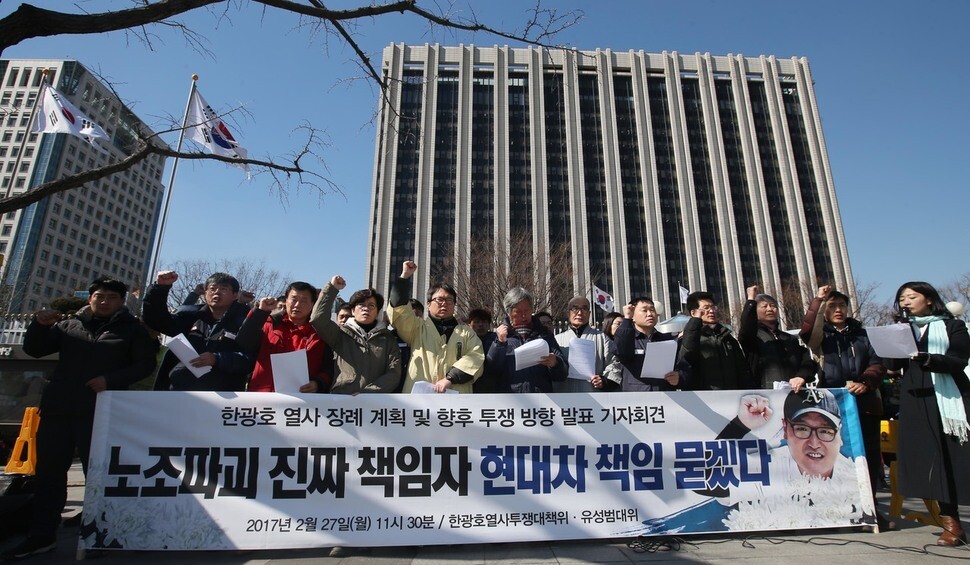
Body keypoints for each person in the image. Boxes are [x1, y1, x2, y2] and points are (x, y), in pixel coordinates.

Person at [3, 278, 158, 560]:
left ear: (121, 301)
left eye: (111, 297)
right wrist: (39, 325)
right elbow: (36, 349)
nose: (104, 301)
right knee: (49, 475)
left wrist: (110, 380)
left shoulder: (132, 330)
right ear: (90, 298)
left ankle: (99, 533)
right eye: (99, 296)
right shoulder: (68, 325)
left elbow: (145, 364)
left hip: (101, 411)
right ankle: (42, 535)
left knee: (98, 475)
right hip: (58, 409)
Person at [883, 282, 969, 546]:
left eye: (912, 296)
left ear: (929, 299)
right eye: (902, 298)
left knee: (958, 455)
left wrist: (929, 358)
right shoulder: (904, 329)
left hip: (951, 397)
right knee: (932, 458)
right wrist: (895, 338)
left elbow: (959, 359)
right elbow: (891, 365)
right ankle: (951, 522)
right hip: (916, 399)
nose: (906, 302)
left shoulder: (953, 326)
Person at [800, 285, 893, 529]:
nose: (838, 310)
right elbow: (807, 331)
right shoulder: (821, 337)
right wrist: (818, 300)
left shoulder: (863, 335)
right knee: (837, 458)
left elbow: (877, 363)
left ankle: (871, 509)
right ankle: (838, 509)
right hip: (833, 405)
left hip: (865, 402)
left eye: (842, 305)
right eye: (832, 306)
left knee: (868, 457)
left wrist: (866, 382)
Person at [143, 271, 254, 391]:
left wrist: (217, 359)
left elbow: (250, 359)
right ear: (205, 293)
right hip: (178, 393)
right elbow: (156, 320)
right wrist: (160, 287)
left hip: (223, 396)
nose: (217, 292)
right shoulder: (189, 316)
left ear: (235, 295)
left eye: (223, 289)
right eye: (212, 288)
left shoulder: (246, 323)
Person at [386, 261, 484, 393]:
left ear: (454, 304)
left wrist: (450, 378)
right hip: (420, 397)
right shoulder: (416, 328)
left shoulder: (467, 333)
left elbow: (476, 357)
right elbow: (400, 309)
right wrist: (404, 277)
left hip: (456, 396)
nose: (444, 304)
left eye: (449, 300)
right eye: (439, 300)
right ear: (428, 304)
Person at [236, 282, 333, 393]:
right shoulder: (269, 323)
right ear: (286, 301)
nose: (297, 305)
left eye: (303, 301)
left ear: (312, 304)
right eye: (294, 299)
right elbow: (244, 341)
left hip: (303, 397)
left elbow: (330, 367)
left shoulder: (320, 333)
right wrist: (260, 312)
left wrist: (318, 383)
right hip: (263, 395)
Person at [310, 276, 401, 394]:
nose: (366, 309)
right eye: (361, 305)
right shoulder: (340, 334)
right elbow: (318, 319)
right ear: (353, 311)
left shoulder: (388, 339)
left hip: (376, 400)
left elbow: (394, 374)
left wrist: (367, 393)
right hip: (342, 398)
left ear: (377, 312)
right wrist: (332, 288)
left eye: (371, 305)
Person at [486, 287, 566, 393]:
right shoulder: (496, 337)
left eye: (527, 310)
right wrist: (499, 343)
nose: (523, 315)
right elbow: (490, 370)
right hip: (509, 399)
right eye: (518, 312)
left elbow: (562, 374)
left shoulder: (545, 335)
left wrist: (555, 363)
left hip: (540, 398)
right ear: (509, 313)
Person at [738, 285, 816, 389]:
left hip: (792, 393)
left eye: (773, 306)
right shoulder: (753, 337)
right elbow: (746, 326)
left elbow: (807, 362)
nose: (770, 309)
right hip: (763, 394)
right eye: (764, 306)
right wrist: (751, 299)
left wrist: (801, 376)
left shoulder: (790, 339)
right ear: (755, 311)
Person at [679, 291, 754, 390]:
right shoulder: (690, 337)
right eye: (706, 308)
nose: (711, 311)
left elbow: (742, 370)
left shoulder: (727, 337)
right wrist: (695, 321)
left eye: (713, 307)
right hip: (703, 395)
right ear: (693, 313)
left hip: (732, 394)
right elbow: (687, 352)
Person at [608, 298, 684, 391]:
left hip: (665, 396)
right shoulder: (628, 339)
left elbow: (683, 367)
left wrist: (679, 377)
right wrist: (627, 319)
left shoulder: (668, 340)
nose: (649, 314)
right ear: (633, 315)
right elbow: (620, 352)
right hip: (636, 395)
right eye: (644, 310)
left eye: (652, 310)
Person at [553, 296, 617, 392]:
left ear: (589, 313)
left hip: (593, 394)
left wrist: (603, 380)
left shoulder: (602, 338)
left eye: (584, 308)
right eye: (575, 308)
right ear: (568, 313)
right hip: (564, 395)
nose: (579, 313)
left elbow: (613, 363)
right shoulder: (557, 340)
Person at [467, 308, 498, 393]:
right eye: (476, 322)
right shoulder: (464, 341)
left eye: (484, 322)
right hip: (470, 386)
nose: (480, 325)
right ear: (469, 325)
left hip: (493, 388)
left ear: (489, 325)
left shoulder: (497, 341)